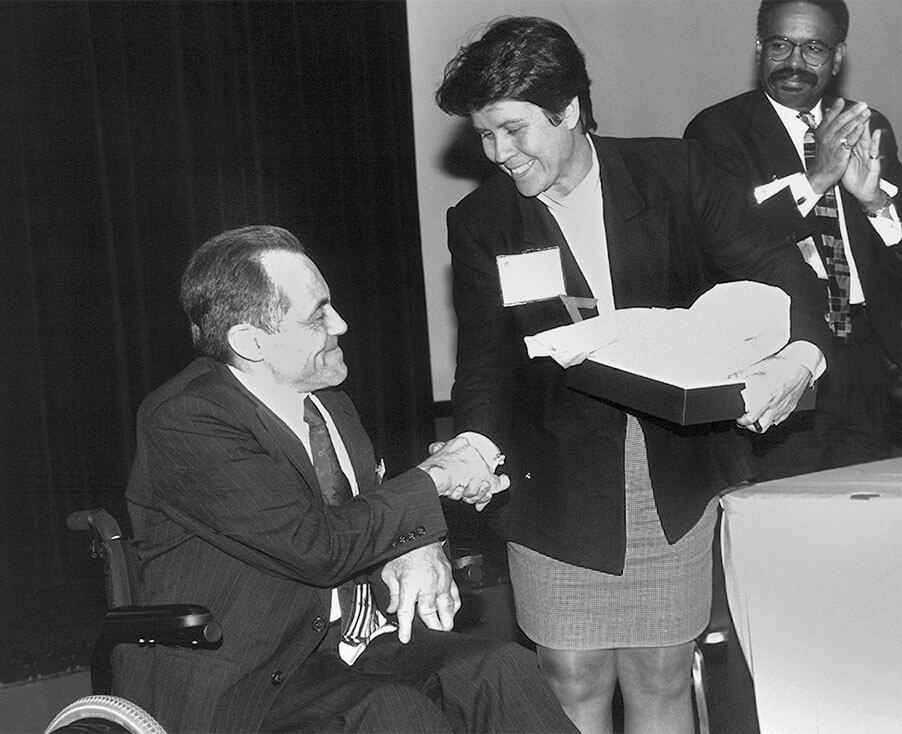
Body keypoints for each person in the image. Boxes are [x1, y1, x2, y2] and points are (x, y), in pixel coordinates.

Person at [435, 16, 833, 734]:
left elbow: (786, 276)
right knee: (571, 676)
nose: (499, 153)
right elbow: (487, 365)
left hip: (669, 473)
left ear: (570, 111)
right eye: (485, 135)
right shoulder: (481, 221)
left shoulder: (676, 174)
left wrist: (795, 363)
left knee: (659, 672)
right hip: (551, 480)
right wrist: (473, 444)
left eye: (514, 130)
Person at [115, 225, 578, 733]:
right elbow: (316, 545)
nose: (341, 324)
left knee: (499, 670)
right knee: (392, 715)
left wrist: (417, 547)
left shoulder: (329, 399)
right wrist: (437, 477)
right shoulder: (187, 420)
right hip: (250, 671)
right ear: (250, 341)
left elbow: (369, 508)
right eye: (318, 315)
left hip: (351, 645)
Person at [685, 0, 902, 480]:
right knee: (785, 508)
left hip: (867, 353)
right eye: (781, 44)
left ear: (838, 56)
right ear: (760, 48)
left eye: (814, 48)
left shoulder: (868, 125)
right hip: (780, 347)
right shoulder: (716, 131)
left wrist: (874, 205)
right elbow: (728, 243)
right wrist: (816, 179)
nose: (795, 63)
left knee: (861, 512)